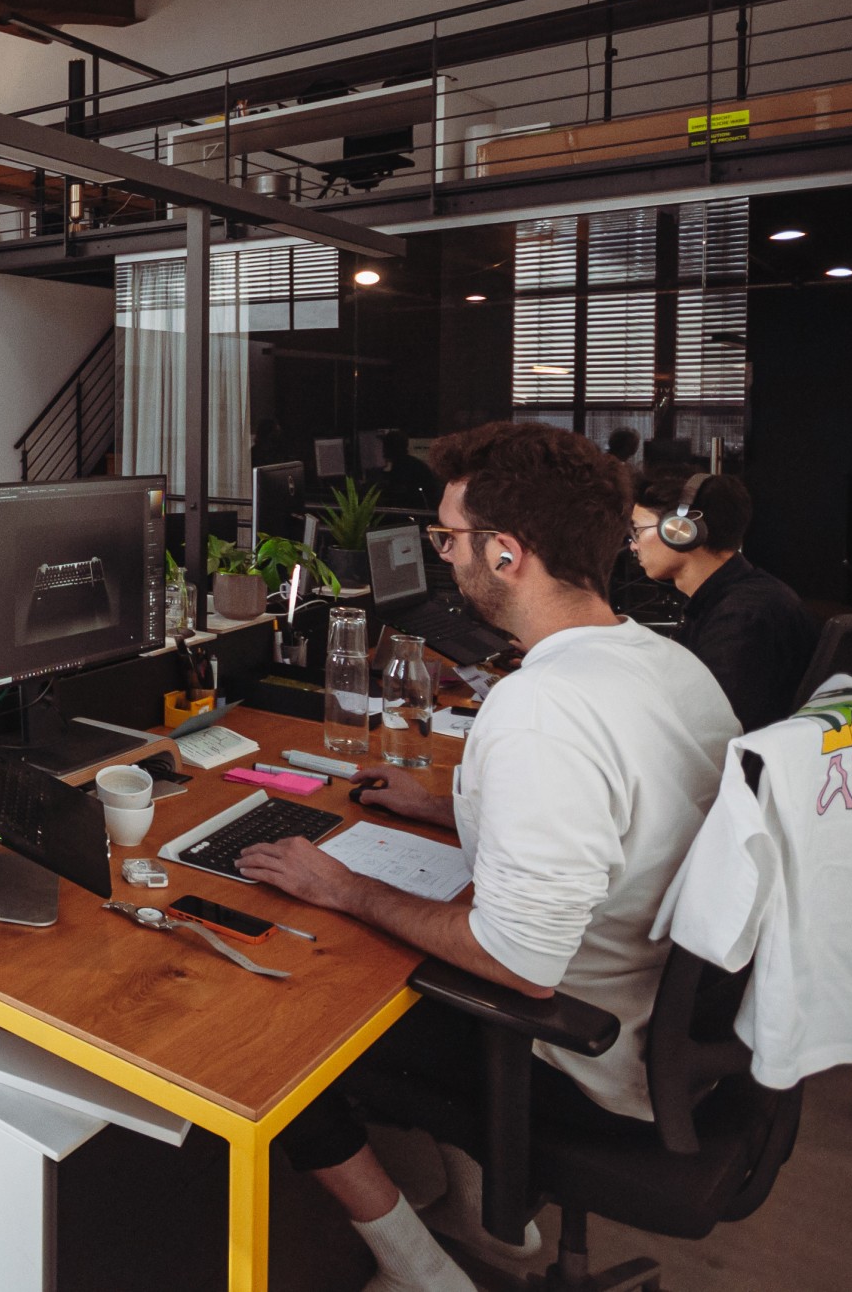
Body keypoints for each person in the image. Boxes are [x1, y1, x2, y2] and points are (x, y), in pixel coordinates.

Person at [234, 421, 740, 1292]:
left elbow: (519, 964)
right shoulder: (666, 665)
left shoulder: (543, 708)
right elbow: (619, 814)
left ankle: (422, 1271)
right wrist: (444, 805)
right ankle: (489, 1218)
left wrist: (344, 887)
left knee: (273, 1028)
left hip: (582, 1058)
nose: (443, 555)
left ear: (505, 553)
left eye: (448, 538)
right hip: (671, 1024)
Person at [631, 472, 820, 730]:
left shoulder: (741, 618)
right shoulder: (743, 598)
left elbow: (712, 728)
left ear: (680, 531)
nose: (633, 545)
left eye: (638, 530)